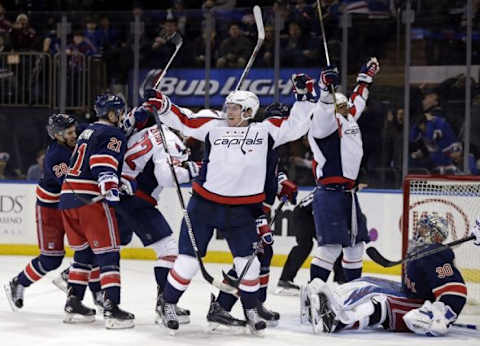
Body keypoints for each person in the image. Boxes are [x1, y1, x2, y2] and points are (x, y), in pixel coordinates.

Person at [142, 87, 312, 334]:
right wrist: (164, 104)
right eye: (228, 106)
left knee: (249, 264)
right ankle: (167, 303)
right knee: (188, 262)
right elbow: (185, 119)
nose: (228, 111)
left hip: (241, 210)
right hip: (204, 206)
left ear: (249, 111)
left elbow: (296, 124)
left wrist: (305, 97)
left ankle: (251, 309)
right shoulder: (214, 126)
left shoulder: (265, 131)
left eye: (234, 107)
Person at [206, 103, 299, 329]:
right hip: (248, 207)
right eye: (278, 121)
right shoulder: (257, 142)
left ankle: (254, 302)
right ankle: (223, 306)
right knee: (251, 258)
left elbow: (272, 172)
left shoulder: (271, 147)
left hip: (259, 208)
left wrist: (281, 182)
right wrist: (258, 215)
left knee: (261, 255)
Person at [302, 214, 470, 337]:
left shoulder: (436, 253)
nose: (419, 232)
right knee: (365, 281)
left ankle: (338, 321)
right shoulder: (419, 251)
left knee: (381, 303)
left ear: (436, 235)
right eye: (420, 227)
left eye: (425, 229)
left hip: (421, 305)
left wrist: (443, 314)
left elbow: (455, 290)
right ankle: (327, 303)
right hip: (410, 294)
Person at [294, 58, 379, 288]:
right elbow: (323, 112)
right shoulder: (322, 126)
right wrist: (324, 90)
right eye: (339, 107)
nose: (345, 110)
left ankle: (352, 293)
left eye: (344, 106)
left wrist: (365, 79)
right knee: (330, 248)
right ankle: (314, 294)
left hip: (348, 195)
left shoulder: (348, 116)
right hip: (329, 193)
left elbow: (357, 101)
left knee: (355, 246)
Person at [4, 114, 103, 312]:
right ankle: (19, 283)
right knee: (51, 259)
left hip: (70, 205)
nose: (74, 134)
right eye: (69, 133)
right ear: (57, 136)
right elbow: (72, 185)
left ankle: (96, 293)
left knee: (93, 249)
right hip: (51, 209)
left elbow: (99, 129)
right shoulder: (56, 156)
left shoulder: (78, 133)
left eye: (74, 130)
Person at [116, 105, 199, 325]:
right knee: (169, 251)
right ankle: (164, 304)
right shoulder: (170, 140)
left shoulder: (149, 130)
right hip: (136, 200)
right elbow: (166, 177)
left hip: (120, 194)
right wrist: (197, 169)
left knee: (111, 244)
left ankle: (72, 277)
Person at [59, 94, 134, 329]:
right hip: (90, 200)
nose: (122, 116)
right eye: (120, 111)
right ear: (112, 114)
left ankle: (74, 304)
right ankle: (111, 308)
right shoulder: (113, 134)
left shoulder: (87, 131)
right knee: (109, 254)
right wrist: (110, 185)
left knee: (82, 255)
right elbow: (103, 161)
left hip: (67, 197)